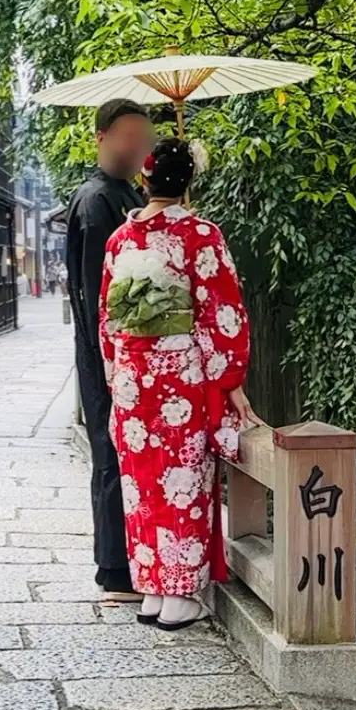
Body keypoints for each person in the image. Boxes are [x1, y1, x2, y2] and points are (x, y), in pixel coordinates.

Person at [99, 134, 256, 629]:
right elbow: (221, 312)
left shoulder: (120, 240)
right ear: (188, 182)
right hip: (179, 380)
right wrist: (230, 379)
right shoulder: (200, 235)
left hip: (131, 377)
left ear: (144, 179)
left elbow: (109, 320)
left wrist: (119, 373)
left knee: (142, 483)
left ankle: (151, 588)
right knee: (181, 480)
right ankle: (181, 593)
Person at [66, 99, 156, 595]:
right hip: (108, 350)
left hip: (131, 351)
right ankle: (116, 568)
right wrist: (110, 356)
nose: (138, 147)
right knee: (112, 451)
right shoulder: (96, 200)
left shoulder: (128, 194)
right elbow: (96, 291)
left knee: (132, 455)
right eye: (128, 137)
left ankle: (135, 562)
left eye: (145, 139)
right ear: (101, 138)